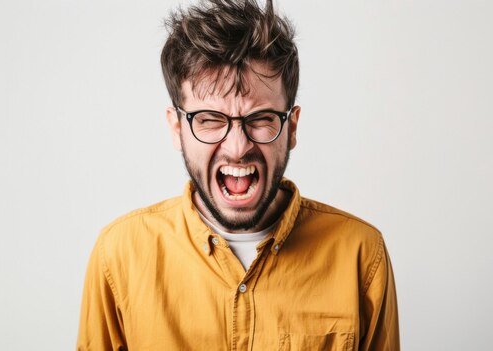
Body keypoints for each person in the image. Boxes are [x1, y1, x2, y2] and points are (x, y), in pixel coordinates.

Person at [77, 0, 399, 349]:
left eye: (260, 119)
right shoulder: (119, 255)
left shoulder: (362, 256)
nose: (236, 147)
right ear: (176, 128)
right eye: (210, 119)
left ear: (291, 127)